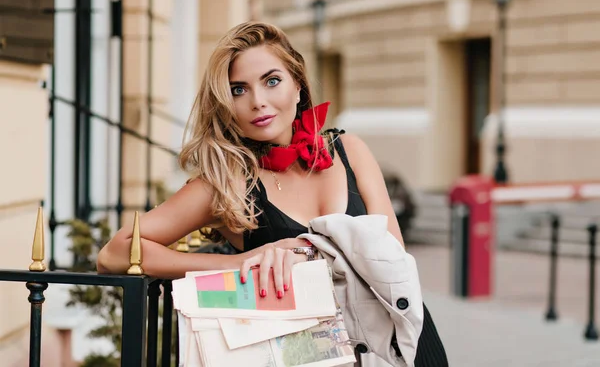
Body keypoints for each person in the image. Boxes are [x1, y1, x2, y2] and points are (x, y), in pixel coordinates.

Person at [97, 21, 447, 366]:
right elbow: (114, 254)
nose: (258, 102)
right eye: (238, 89)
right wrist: (236, 264)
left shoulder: (350, 151)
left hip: (403, 344)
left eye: (272, 81)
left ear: (298, 86)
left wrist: (311, 255)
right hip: (308, 356)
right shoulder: (227, 183)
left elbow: (396, 259)